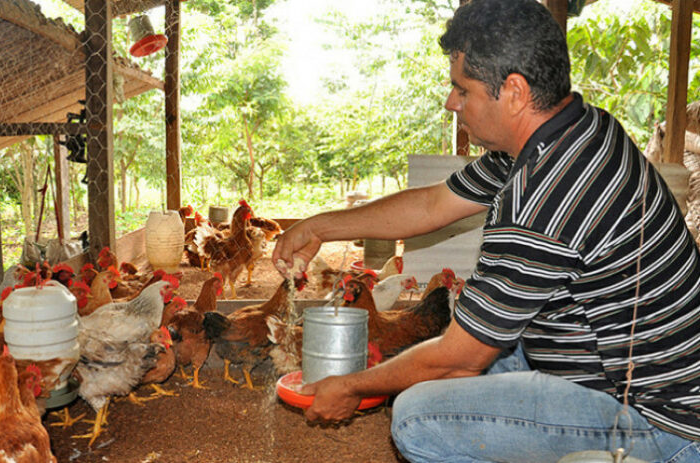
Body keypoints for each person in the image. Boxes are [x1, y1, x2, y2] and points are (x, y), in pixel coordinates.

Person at [272, 0, 700, 461]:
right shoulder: (572, 130)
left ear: (514, 91)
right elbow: (433, 203)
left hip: (656, 419)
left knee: (418, 415)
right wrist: (319, 227)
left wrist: (352, 386)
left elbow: (459, 358)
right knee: (448, 364)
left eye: (463, 89)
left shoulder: (549, 189)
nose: (451, 102)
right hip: (606, 370)